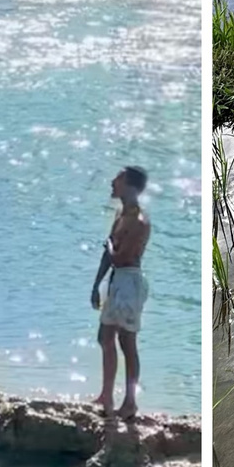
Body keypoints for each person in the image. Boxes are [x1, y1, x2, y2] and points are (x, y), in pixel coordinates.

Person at [88, 165, 151, 419]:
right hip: (117, 281)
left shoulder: (139, 221)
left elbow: (121, 255)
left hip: (130, 282)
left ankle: (130, 401)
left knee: (127, 342)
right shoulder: (120, 213)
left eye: (119, 178)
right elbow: (110, 253)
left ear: (131, 185)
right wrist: (96, 285)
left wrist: (111, 247)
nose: (113, 182)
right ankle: (106, 395)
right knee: (104, 337)